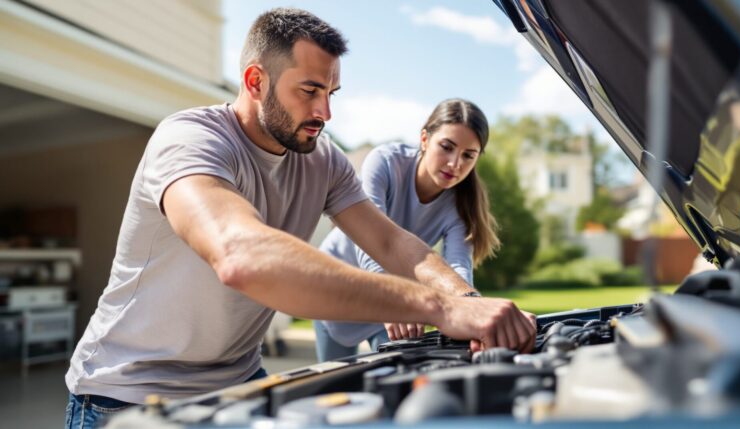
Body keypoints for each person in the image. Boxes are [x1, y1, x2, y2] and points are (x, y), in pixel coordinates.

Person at [64, 8, 536, 429]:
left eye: (331, 91)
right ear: (255, 82)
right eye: (310, 90)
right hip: (127, 396)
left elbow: (392, 244)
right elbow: (240, 255)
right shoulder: (190, 140)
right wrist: (441, 309)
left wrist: (469, 301)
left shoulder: (322, 160)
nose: (325, 111)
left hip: (239, 383)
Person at [313, 98, 500, 361]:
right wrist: (394, 299)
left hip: (393, 301)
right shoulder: (385, 162)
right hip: (339, 287)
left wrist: (472, 308)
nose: (455, 164)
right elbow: (371, 240)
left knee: (400, 374)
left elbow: (458, 267)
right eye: (447, 147)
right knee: (333, 389)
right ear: (424, 139)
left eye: (468, 155)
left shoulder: (461, 204)